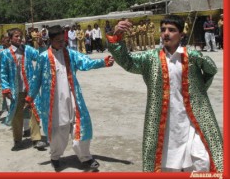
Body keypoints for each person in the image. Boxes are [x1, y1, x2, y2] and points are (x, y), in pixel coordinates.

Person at [107, 15, 223, 172]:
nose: (166, 33)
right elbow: (127, 62)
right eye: (163, 30)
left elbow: (211, 69)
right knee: (167, 167)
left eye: (172, 30)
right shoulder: (150, 58)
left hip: (192, 121)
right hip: (166, 124)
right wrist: (116, 37)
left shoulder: (193, 57)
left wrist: (200, 92)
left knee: (202, 162)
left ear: (182, 35)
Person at [25, 25, 114, 171]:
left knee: (80, 126)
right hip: (54, 101)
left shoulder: (70, 54)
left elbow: (86, 62)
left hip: (72, 96)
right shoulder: (43, 58)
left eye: (63, 40)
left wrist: (102, 62)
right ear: (51, 40)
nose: (62, 43)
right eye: (59, 40)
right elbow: (36, 80)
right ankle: (55, 157)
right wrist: (30, 98)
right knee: (58, 129)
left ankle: (86, 158)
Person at [0, 28, 47, 151]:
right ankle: (17, 140)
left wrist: (41, 45)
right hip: (15, 90)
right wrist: (6, 88)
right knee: (17, 115)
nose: (19, 38)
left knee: (34, 112)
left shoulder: (27, 50)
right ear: (10, 39)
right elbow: (3, 72)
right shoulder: (5, 54)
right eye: (16, 36)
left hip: (30, 88)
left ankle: (36, 139)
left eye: (20, 36)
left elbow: (41, 57)